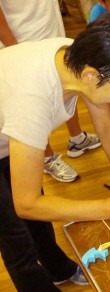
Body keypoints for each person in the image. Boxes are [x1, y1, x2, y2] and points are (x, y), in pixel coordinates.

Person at [0, 12, 110, 292]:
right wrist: (108, 209)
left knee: (39, 222)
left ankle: (59, 269)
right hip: (13, 121)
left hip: (9, 130)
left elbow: (104, 124)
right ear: (91, 76)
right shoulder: (32, 102)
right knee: (16, 238)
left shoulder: (79, 57)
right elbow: (27, 203)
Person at [0, 0, 101, 183]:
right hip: (22, 44)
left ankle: (77, 137)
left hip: (51, 36)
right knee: (36, 113)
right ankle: (46, 157)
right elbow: (27, 205)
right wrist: (17, 50)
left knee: (69, 87)